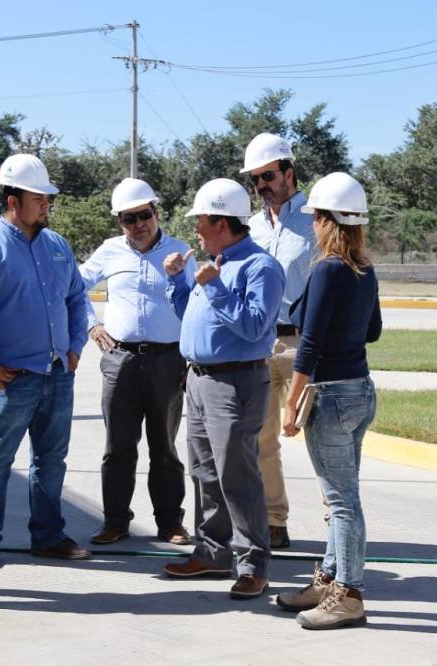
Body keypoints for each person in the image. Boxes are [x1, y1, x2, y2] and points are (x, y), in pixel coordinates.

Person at [160, 178, 285, 600]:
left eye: (200, 220)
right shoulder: (212, 262)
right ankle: (212, 552)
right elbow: (191, 316)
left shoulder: (259, 267)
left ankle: (253, 563)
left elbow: (253, 326)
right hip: (198, 378)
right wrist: (180, 282)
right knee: (205, 472)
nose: (195, 228)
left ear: (220, 221)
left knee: (238, 473)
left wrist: (212, 284)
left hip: (235, 380)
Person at [0, 154, 91, 568]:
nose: (46, 205)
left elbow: (76, 298)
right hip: (10, 379)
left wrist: (75, 347)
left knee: (51, 460)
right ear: (12, 200)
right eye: (38, 198)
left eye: (47, 198)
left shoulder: (58, 246)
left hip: (57, 374)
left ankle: (48, 535)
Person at [278, 172, 382, 630]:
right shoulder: (365, 270)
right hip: (361, 390)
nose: (313, 224)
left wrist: (292, 400)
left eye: (316, 216)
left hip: (331, 395)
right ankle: (330, 578)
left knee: (341, 502)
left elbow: (310, 342)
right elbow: (373, 331)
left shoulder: (325, 269)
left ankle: (348, 594)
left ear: (326, 221)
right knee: (341, 496)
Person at [78, 178, 193, 546]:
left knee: (165, 447)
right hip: (121, 360)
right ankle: (115, 521)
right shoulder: (110, 251)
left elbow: (194, 306)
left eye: (145, 215)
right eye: (130, 219)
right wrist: (92, 324)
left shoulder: (180, 252)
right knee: (118, 447)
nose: (139, 224)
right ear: (120, 223)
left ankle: (170, 522)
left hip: (167, 361)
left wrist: (191, 358)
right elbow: (74, 286)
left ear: (156, 213)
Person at [242, 132, 315, 550]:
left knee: (322, 439)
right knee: (261, 438)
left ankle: (335, 521)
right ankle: (274, 521)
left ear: (289, 171)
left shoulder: (317, 219)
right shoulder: (250, 227)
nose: (262, 185)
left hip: (305, 341)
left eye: (268, 175)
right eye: (256, 179)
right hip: (261, 343)